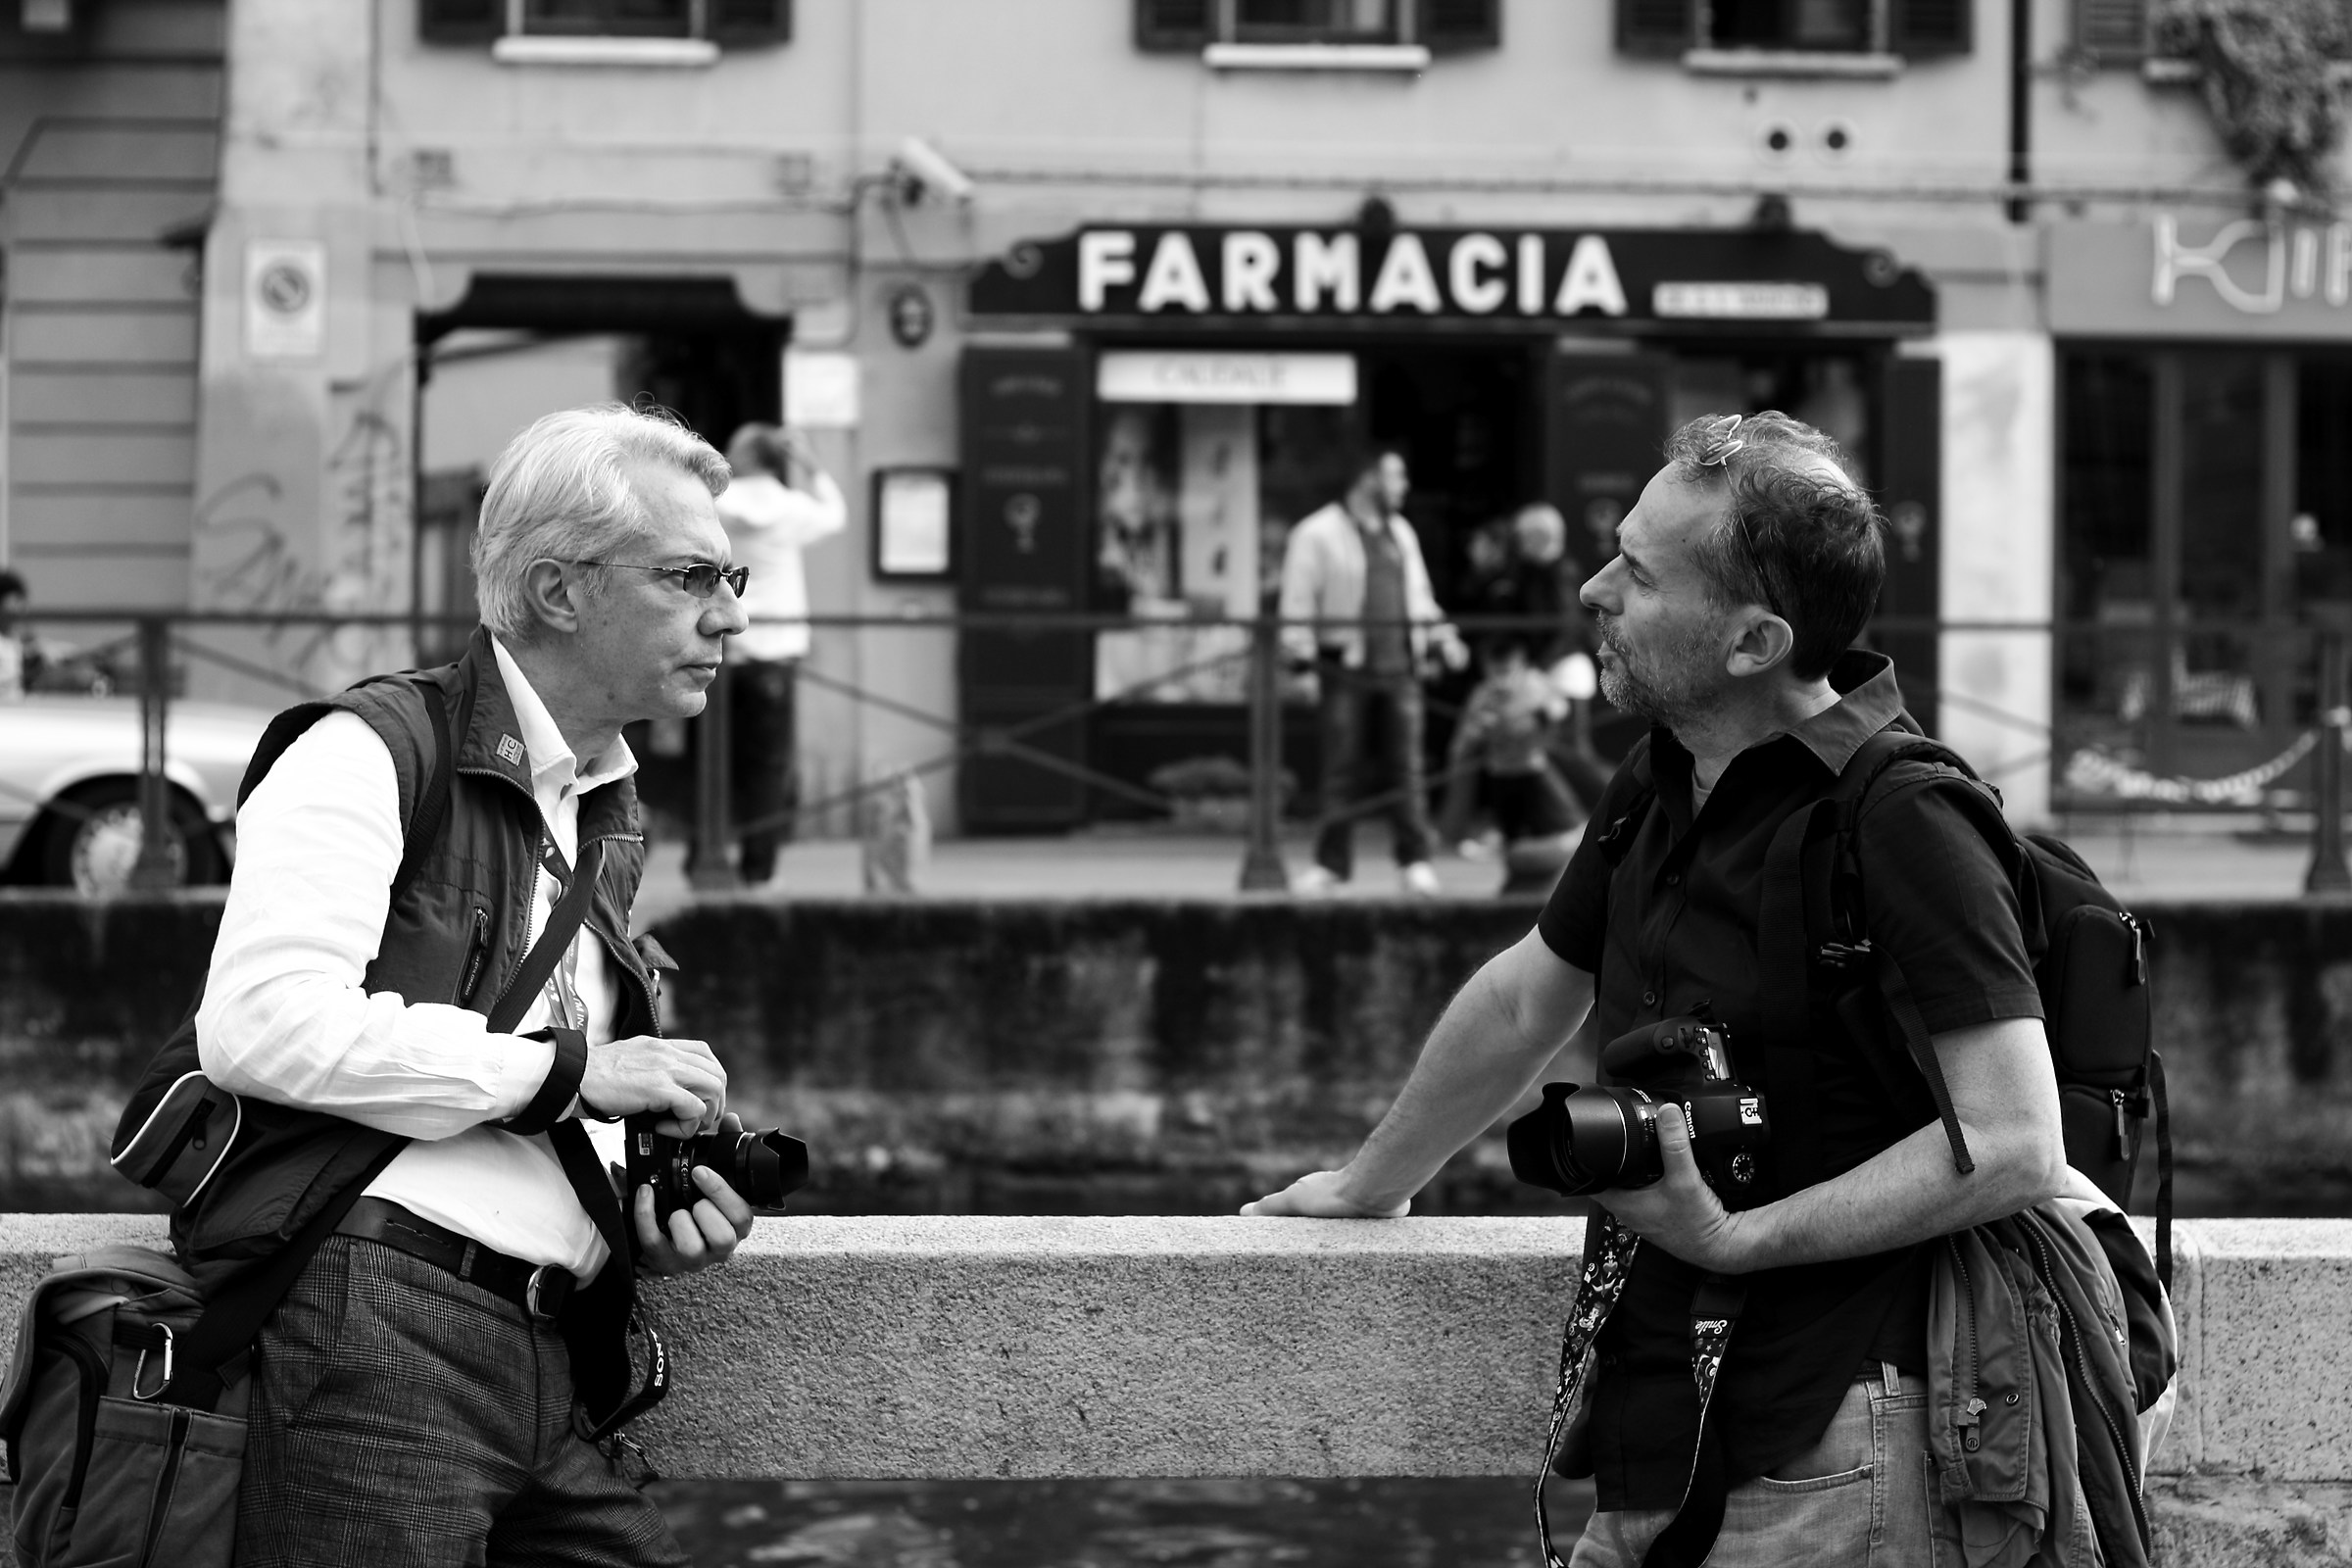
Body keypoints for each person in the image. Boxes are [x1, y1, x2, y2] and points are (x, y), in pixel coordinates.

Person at [1246, 411, 2066, 1565]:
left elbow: (2016, 1136)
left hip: (1834, 1435)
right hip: (1663, 1410)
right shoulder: (1666, 773)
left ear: (1752, 641)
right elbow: (1531, 997)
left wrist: (1740, 1238)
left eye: (1636, 572)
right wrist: (1368, 1182)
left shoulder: (1906, 817)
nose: (1591, 589)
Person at [195, 404, 760, 1565]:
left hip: (559, 1349)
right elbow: (260, 1024)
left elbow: (530, 1090)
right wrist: (583, 1070)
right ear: (559, 590)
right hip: (383, 1324)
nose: (731, 615)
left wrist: (637, 1207)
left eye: (732, 572)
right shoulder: (365, 750)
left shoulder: (605, 801)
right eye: (690, 574)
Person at [1278, 446, 1467, 897]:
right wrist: (1300, 666)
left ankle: (1415, 861)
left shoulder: (1400, 531)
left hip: (1401, 665)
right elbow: (1297, 605)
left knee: (1408, 768)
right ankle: (1332, 865)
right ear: (1368, 479)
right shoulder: (1316, 533)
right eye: (1396, 476)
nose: (1404, 486)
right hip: (1346, 667)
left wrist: (1443, 637)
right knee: (1343, 769)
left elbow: (1419, 596)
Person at [711, 420, 846, 883]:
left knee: (713, 757)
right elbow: (836, 513)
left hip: (726, 647)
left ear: (750, 458)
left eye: (734, 448)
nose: (727, 453)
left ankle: (705, 853)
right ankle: (758, 869)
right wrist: (810, 464)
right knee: (767, 765)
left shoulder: (720, 505)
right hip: (779, 653)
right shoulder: (792, 508)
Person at [1436, 633, 1585, 894]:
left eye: (1508, 671)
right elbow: (1461, 744)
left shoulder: (1534, 685)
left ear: (1521, 665)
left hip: (1532, 770)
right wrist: (1477, 732)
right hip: (1500, 774)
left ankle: (1561, 887)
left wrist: (1541, 716)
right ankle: (1518, 888)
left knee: (1566, 830)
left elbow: (1558, 712)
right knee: (1513, 840)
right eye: (1496, 672)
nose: (1502, 679)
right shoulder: (1482, 695)